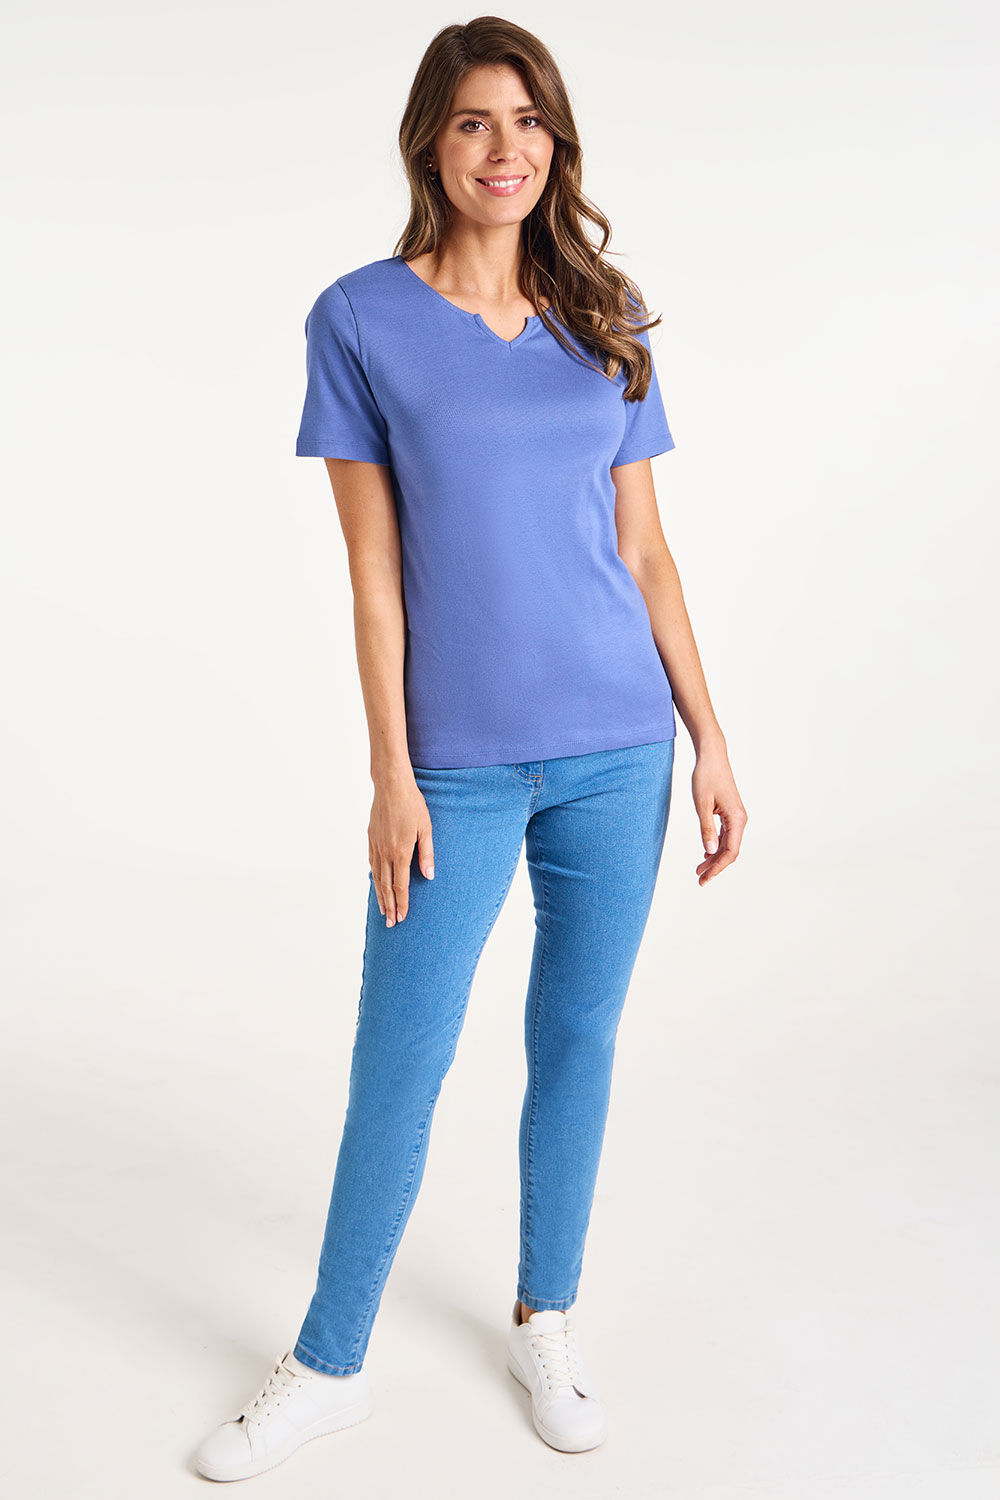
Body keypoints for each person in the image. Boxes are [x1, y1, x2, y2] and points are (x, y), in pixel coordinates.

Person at [194, 14, 747, 1482]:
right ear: (429, 144)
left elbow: (646, 553)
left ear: (556, 142)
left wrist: (709, 738)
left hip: (620, 747)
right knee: (402, 1061)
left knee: (576, 1038)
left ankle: (544, 1317)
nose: (506, 149)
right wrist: (391, 772)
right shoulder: (360, 320)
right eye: (473, 122)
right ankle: (328, 1361)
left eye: (528, 121)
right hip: (456, 767)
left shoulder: (607, 318)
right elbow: (373, 575)